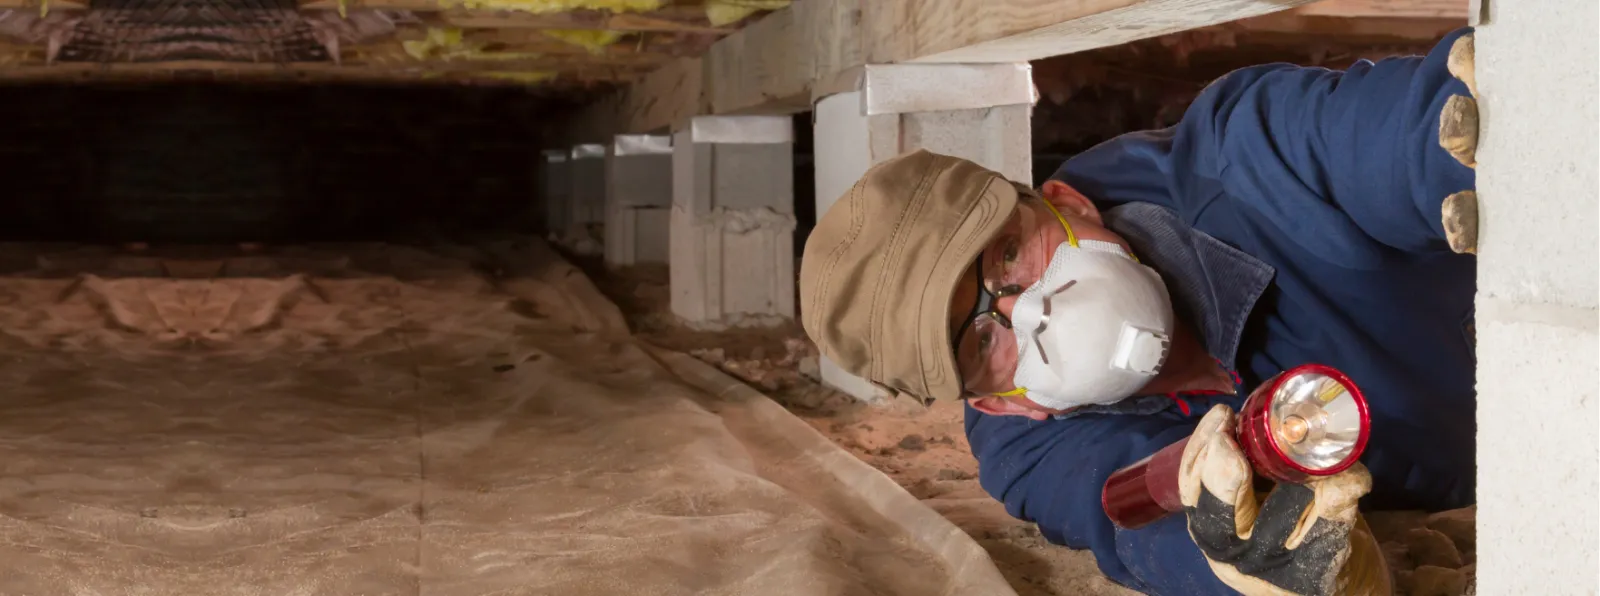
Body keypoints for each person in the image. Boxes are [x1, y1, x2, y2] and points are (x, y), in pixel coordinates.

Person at [798, 27, 1479, 596]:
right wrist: (1260, 569)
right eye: (980, 341)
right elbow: (1145, 524)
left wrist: (1483, 131)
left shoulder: (1244, 161)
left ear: (1067, 203)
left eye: (1006, 257)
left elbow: (1390, 135)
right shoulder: (1033, 457)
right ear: (1000, 405)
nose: (1029, 311)